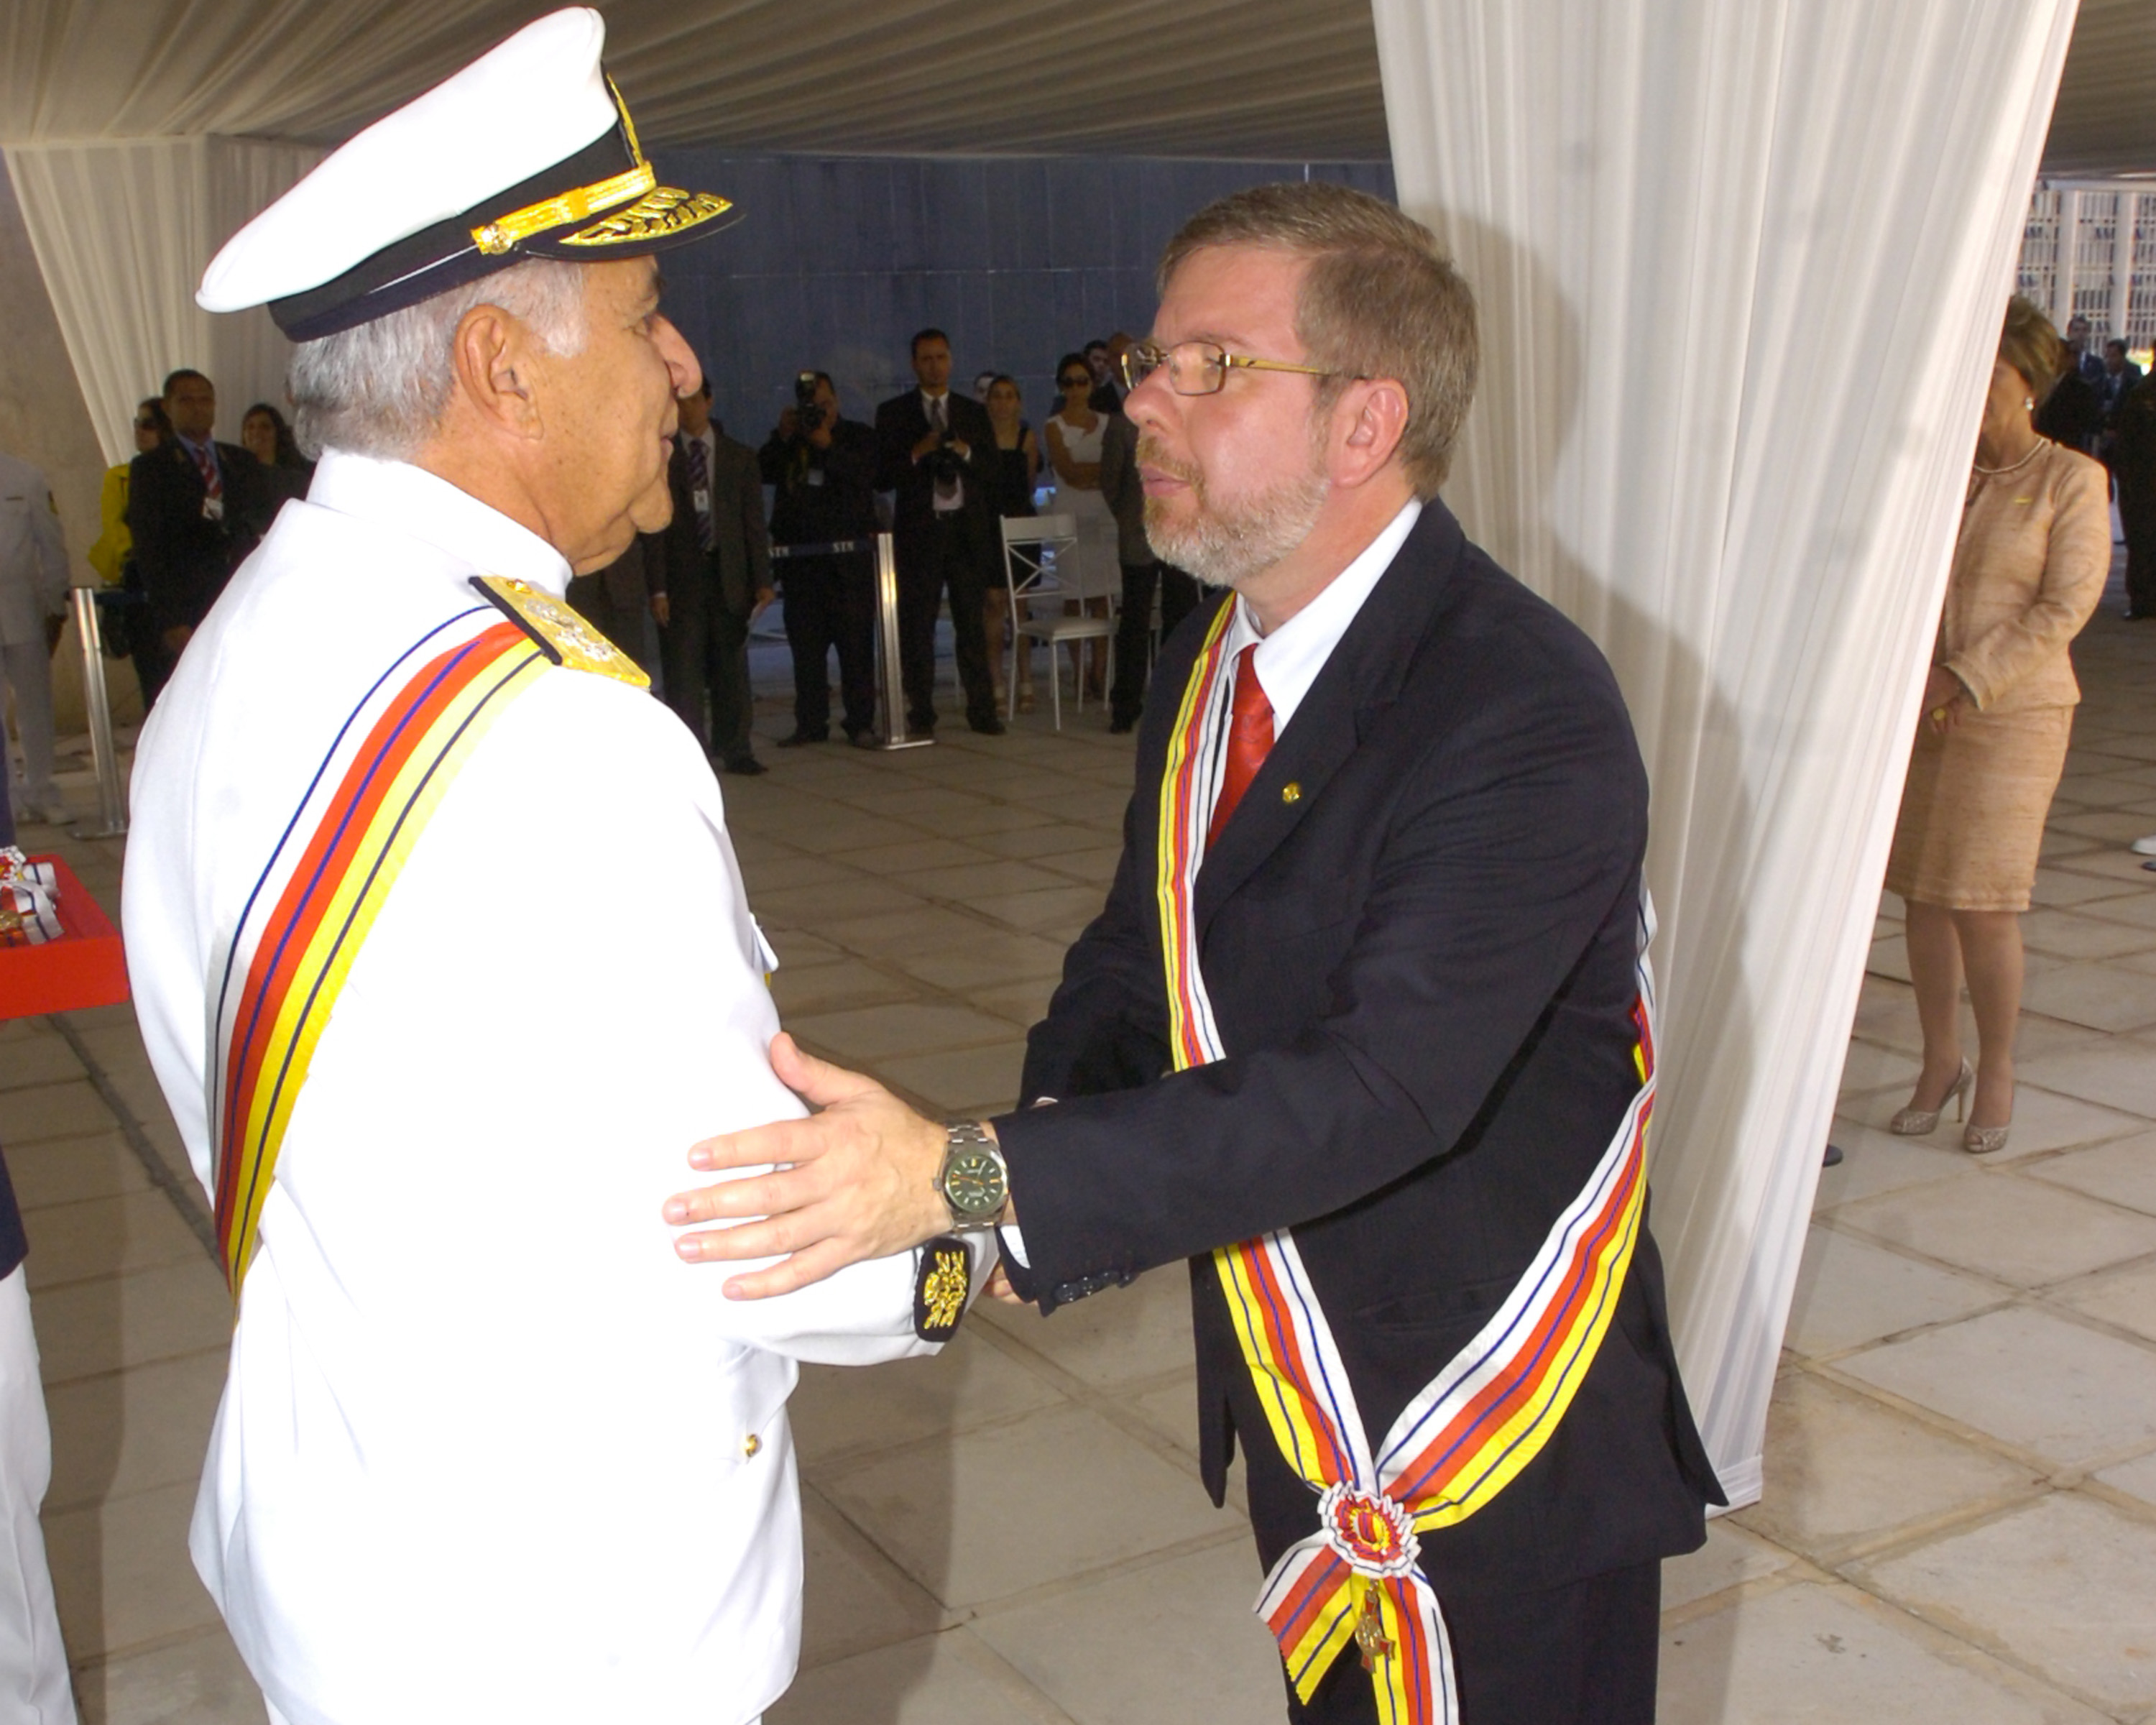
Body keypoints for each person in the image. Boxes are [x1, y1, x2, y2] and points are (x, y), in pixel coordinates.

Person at [668, 180, 1723, 1725]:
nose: (1143, 401)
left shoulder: (1518, 707)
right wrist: (1010, 1215)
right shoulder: (1215, 659)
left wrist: (964, 1177)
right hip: (1306, 1404)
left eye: (1209, 368)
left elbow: (1377, 1089)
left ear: (1366, 424)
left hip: (1487, 1445)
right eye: (1151, 360)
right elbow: (1130, 966)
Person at [124, 12, 984, 1722]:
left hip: (352, 1545)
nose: (681, 369)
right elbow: (746, 1218)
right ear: (504, 373)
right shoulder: (555, 734)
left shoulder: (240, 651)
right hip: (560, 1621)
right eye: (649, 320)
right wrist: (972, 1214)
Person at [1884, 295, 2111, 1156]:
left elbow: (2067, 606)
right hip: (1927, 717)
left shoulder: (2072, 480)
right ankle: (1940, 1061)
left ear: (2030, 380)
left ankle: (2000, 1065)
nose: (1976, 390)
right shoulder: (1948, 479)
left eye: (1994, 373)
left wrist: (1963, 677)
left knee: (1982, 902)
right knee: (1924, 893)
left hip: (2014, 717)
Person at [874, 328, 1005, 735]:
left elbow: (992, 471)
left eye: (941, 357)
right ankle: (921, 711)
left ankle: (982, 710)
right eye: (926, 359)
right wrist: (918, 452)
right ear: (915, 364)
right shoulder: (894, 413)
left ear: (951, 361)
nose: (935, 365)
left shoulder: (971, 410)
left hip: (965, 532)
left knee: (971, 623)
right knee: (918, 626)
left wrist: (963, 451)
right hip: (920, 532)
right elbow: (881, 477)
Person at [126, 367, 271, 704]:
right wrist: (170, 618)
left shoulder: (240, 461)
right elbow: (149, 546)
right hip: (187, 603)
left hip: (237, 597)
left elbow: (262, 525)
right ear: (168, 407)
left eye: (205, 400)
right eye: (186, 400)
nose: (197, 408)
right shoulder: (152, 469)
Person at [659, 377, 772, 776]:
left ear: (709, 401)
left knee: (732, 668)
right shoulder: (664, 460)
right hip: (683, 578)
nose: (686, 410)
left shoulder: (738, 457)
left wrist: (763, 578)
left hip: (730, 575)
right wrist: (657, 587)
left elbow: (753, 524)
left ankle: (736, 746)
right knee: (684, 670)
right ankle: (692, 753)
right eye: (678, 403)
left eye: (692, 401)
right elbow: (655, 530)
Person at [760, 372, 880, 746]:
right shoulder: (791, 441)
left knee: (856, 650)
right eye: (811, 407)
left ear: (837, 402)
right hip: (802, 567)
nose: (819, 413)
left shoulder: (857, 436)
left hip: (849, 568)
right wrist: (783, 435)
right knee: (807, 652)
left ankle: (860, 723)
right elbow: (762, 470)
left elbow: (868, 477)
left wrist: (827, 445)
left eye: (825, 405)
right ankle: (810, 723)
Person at [1100, 382, 1198, 733]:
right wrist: (1130, 519)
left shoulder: (1186, 414)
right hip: (1137, 534)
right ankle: (1125, 705)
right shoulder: (1120, 425)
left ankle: (1178, 702)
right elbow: (1110, 482)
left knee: (1183, 616)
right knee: (1135, 621)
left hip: (1180, 532)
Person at [86, 398, 173, 702]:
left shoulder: (183, 470)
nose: (140, 431)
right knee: (152, 676)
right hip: (141, 579)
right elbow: (116, 529)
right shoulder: (120, 476)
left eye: (148, 424)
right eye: (137, 423)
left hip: (180, 581)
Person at [0, 450, 69, 825]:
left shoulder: (25, 476)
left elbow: (50, 541)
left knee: (35, 705)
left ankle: (41, 788)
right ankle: (6, 796)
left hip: (24, 607)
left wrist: (56, 602)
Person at [1043, 351, 1115, 702]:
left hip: (1101, 513)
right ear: (1061, 386)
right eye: (1069, 382)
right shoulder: (1052, 426)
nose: (1076, 388)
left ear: (1092, 384)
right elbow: (1068, 471)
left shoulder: (1106, 423)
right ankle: (1078, 670)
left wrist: (1094, 475)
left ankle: (1100, 671)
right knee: (1074, 595)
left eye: (1082, 381)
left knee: (1101, 594)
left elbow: (1114, 469)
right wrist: (1094, 473)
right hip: (1070, 513)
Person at [981, 373, 1041, 711]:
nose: (1003, 402)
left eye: (1009, 396)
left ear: (1017, 401)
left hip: (1020, 523)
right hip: (988, 525)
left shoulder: (1026, 437)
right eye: (997, 396)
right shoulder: (980, 437)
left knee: (1020, 606)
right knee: (993, 603)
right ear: (988, 402)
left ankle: (1027, 680)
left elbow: (1029, 482)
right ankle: (996, 682)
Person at [563, 530, 663, 678]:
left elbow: (651, 536)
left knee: (631, 661)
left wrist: (658, 589)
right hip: (581, 588)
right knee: (587, 661)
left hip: (625, 585)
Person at [239, 402, 315, 515]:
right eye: (250, 427)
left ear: (278, 433)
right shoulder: (235, 476)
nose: (256, 432)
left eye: (265, 427)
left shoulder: (296, 481)